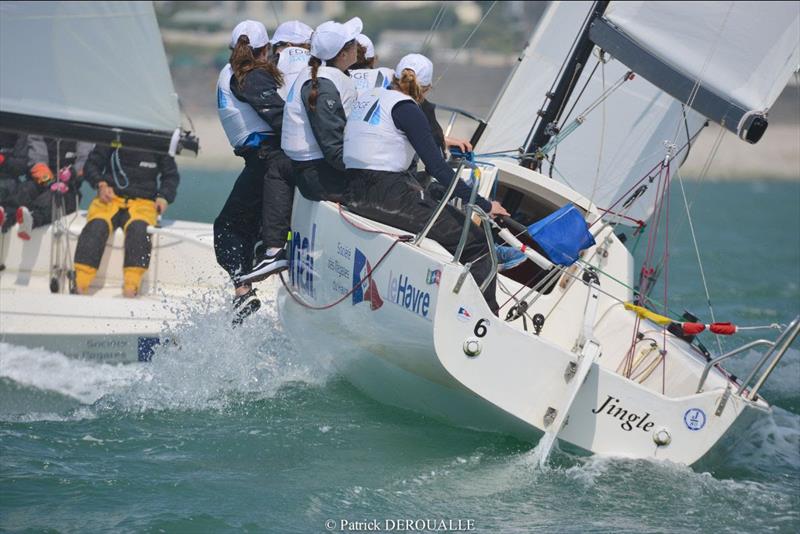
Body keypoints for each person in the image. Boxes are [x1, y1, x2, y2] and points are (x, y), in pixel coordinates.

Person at [343, 54, 509, 313]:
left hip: (353, 191)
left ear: (395, 77)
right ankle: (482, 318)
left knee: (430, 201)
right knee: (478, 244)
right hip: (387, 197)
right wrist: (484, 204)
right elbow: (438, 169)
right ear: (427, 88)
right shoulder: (408, 109)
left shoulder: (368, 98)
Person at [213, 20, 291, 319]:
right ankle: (245, 290)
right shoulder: (248, 75)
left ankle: (243, 291)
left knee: (226, 230)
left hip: (266, 159)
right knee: (242, 228)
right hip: (261, 158)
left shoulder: (248, 76)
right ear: (265, 49)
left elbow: (280, 118)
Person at [72, 146, 179, 297]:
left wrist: (164, 197)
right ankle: (80, 284)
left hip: (143, 203)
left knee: (139, 230)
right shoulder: (115, 135)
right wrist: (101, 184)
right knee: (96, 226)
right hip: (109, 198)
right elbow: (91, 165)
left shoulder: (158, 142)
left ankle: (131, 286)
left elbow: (171, 176)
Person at [281, 17, 361, 203]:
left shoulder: (322, 77)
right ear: (343, 54)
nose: (358, 45)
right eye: (354, 42)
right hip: (321, 177)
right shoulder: (323, 86)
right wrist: (364, 171)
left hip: (317, 171)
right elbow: (332, 147)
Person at [13, 136, 93, 240]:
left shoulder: (81, 131)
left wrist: (71, 173)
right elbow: (37, 156)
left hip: (68, 188)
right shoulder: (41, 127)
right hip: (42, 180)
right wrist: (48, 180)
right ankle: (7, 213)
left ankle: (33, 220)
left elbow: (85, 160)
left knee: (54, 197)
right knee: (25, 190)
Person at [270, 20, 313, 100]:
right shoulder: (319, 62)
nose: (274, 52)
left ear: (289, 46)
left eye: (276, 46)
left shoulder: (275, 62)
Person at [0, 133, 31, 233]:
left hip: (8, 180)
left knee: (10, 187)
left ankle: (6, 216)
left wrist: (4, 160)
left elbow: (21, 166)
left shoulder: (19, 130)